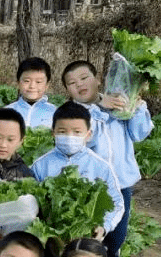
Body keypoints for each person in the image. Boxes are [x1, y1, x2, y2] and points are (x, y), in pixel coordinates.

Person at [61, 59, 153, 257]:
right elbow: (81, 138)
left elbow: (139, 133)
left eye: (84, 78)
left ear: (98, 79)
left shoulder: (118, 105)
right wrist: (102, 107)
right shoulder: (71, 112)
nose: (80, 85)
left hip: (120, 182)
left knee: (117, 234)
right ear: (67, 90)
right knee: (90, 233)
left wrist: (137, 107)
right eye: (72, 83)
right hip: (89, 186)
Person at [30, 101, 123, 239]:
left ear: (89, 134)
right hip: (49, 240)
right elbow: (30, 202)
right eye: (62, 132)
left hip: (86, 238)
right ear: (53, 133)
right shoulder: (40, 165)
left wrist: (104, 226)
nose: (69, 136)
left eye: (77, 132)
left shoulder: (101, 166)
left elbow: (117, 203)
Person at [7, 57, 56, 130]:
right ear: (18, 83)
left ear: (47, 85)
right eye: (27, 81)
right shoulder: (7, 112)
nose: (32, 86)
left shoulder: (55, 113)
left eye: (38, 82)